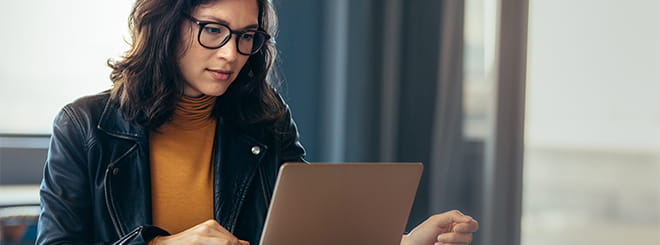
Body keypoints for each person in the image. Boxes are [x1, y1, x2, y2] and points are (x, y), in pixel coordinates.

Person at [36, 0, 479, 244]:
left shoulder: (264, 118)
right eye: (213, 29)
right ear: (166, 23)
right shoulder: (85, 125)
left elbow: (309, 233)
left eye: (247, 36)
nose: (231, 53)